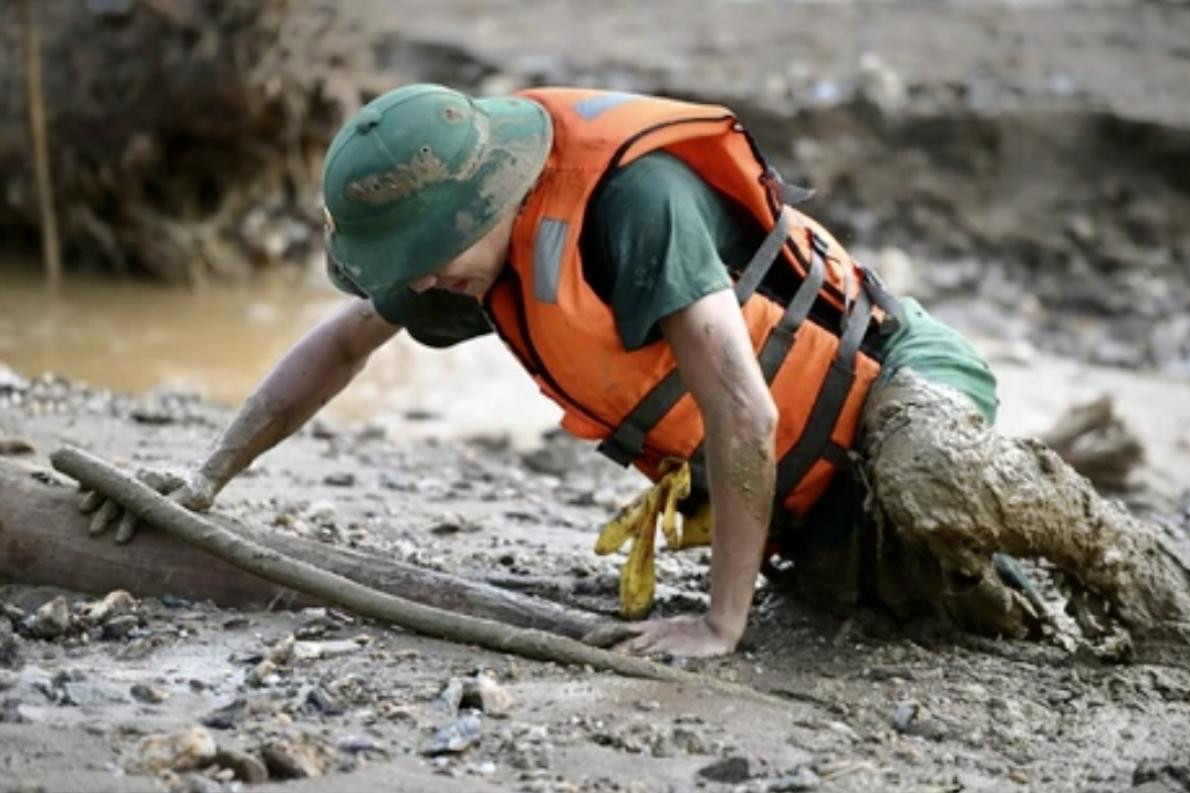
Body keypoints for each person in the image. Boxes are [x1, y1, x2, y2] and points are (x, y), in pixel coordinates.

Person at [76, 85, 1065, 657]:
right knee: (957, 624)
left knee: (955, 518)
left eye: (429, 253)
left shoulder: (636, 204)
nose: (419, 281)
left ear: (490, 198)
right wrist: (206, 477)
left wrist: (721, 629)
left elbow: (745, 413)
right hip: (812, 492)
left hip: (906, 388)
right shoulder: (464, 253)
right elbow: (340, 344)